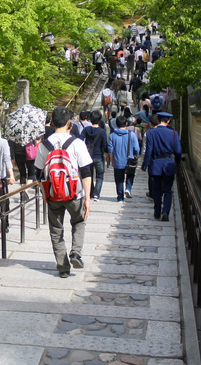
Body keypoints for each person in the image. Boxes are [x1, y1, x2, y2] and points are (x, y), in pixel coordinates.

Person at [35, 106, 93, 277]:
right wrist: (88, 198)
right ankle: (75, 252)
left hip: (53, 194)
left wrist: (45, 194)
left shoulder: (44, 145)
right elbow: (86, 172)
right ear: (70, 123)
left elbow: (38, 174)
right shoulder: (77, 143)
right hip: (75, 193)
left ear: (52, 123)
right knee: (79, 222)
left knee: (56, 230)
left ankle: (63, 267)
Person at [142, 112, 183, 221]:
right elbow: (178, 151)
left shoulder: (151, 133)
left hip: (156, 164)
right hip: (168, 163)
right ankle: (166, 211)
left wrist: (145, 165)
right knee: (168, 190)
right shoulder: (174, 133)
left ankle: (157, 212)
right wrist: (177, 162)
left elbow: (149, 151)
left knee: (156, 190)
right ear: (168, 121)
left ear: (158, 119)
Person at [107, 115, 141, 202]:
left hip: (118, 161)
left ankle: (120, 197)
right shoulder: (132, 134)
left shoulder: (112, 135)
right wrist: (136, 157)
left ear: (116, 124)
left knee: (119, 180)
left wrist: (112, 160)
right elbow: (136, 148)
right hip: (130, 160)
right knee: (130, 175)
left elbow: (110, 149)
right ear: (126, 123)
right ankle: (128, 188)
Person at [82, 110, 108, 201]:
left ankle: (91, 192)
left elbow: (80, 140)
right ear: (100, 119)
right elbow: (105, 145)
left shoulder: (86, 130)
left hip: (87, 156)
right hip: (98, 156)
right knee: (100, 176)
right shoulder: (102, 131)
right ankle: (96, 194)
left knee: (90, 176)